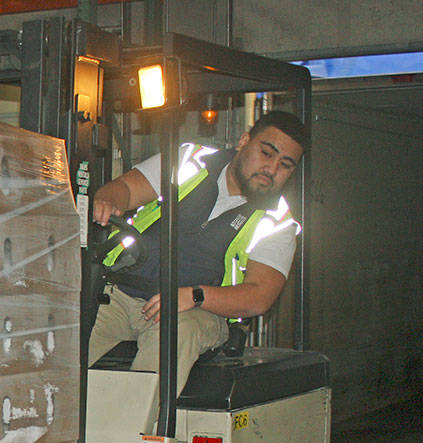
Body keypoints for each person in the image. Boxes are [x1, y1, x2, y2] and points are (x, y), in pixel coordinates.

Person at [87, 110, 308, 405]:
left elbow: (259, 296)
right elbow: (126, 188)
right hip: (120, 293)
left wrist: (194, 296)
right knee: (66, 335)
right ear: (244, 141)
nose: (271, 169)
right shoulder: (190, 161)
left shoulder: (278, 222)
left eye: (285, 165)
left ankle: (131, 433)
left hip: (196, 312)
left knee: (178, 332)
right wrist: (108, 200)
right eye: (266, 153)